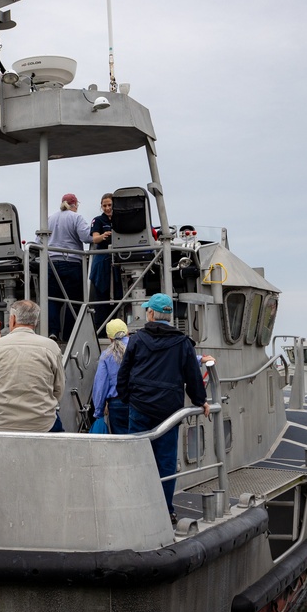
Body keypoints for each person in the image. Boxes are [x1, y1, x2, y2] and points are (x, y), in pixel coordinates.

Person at [117, 293, 210, 525]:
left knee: (136, 458)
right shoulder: (183, 343)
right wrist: (202, 402)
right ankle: (165, 511)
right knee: (166, 462)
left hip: (139, 408)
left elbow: (124, 374)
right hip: (169, 411)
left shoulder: (137, 340)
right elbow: (193, 377)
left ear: (150, 314)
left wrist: (129, 398)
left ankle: (135, 506)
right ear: (168, 317)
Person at [0, 300, 65, 432]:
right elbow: (58, 389)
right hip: (42, 423)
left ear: (13, 319)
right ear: (36, 322)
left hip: (2, 423)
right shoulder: (51, 347)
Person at [40, 193, 110, 342]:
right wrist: (101, 236)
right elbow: (86, 237)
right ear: (75, 204)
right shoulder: (76, 217)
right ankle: (69, 336)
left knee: (52, 299)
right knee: (74, 301)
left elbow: (39, 240)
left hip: (51, 263)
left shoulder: (50, 218)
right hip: (71, 263)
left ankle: (53, 331)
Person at [92, 318, 131, 434]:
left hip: (116, 404)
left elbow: (100, 385)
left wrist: (98, 411)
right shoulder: (138, 348)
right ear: (127, 333)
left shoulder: (106, 355)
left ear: (109, 338)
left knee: (120, 444)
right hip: (138, 401)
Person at [89, 193, 121, 332]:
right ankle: (101, 331)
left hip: (119, 261)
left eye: (110, 205)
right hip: (103, 261)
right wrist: (103, 236)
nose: (107, 208)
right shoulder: (98, 220)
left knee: (120, 295)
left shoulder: (121, 219)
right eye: (104, 205)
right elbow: (95, 239)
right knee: (101, 296)